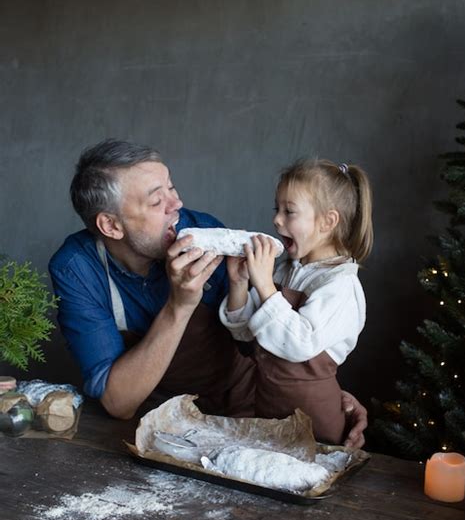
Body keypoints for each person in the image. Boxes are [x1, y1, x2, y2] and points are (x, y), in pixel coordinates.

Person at [49, 140, 368, 447]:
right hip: (168, 428)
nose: (177, 205)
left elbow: (271, 337)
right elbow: (119, 403)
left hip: (250, 417)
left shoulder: (205, 232)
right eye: (157, 201)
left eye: (171, 188)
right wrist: (180, 305)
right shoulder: (78, 269)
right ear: (111, 225)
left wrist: (323, 394)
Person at [219, 159, 373, 444]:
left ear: (328, 222)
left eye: (289, 211)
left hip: (314, 424)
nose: (277, 220)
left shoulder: (340, 285)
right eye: (276, 209)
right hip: (268, 409)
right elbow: (247, 335)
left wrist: (265, 286)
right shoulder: (286, 270)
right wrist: (239, 283)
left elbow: (299, 344)